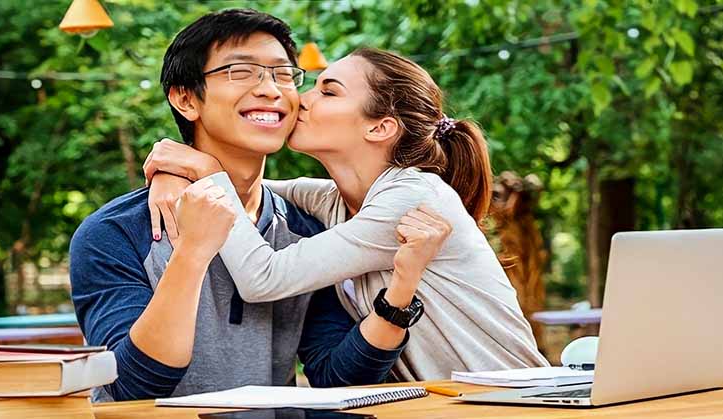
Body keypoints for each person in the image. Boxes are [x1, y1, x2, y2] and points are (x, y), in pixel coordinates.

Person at [69, 9, 445, 402]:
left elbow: (336, 378)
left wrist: (399, 296)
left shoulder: (306, 227)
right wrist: (193, 253)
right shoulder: (113, 233)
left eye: (283, 74)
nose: (271, 89)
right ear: (185, 98)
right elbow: (133, 385)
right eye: (240, 72)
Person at [144, 47, 550, 382]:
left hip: (516, 403)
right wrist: (173, 174)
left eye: (329, 91)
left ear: (379, 128)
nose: (301, 99)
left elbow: (263, 277)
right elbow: (249, 189)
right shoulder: (339, 200)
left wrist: (208, 173)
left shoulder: (410, 197)